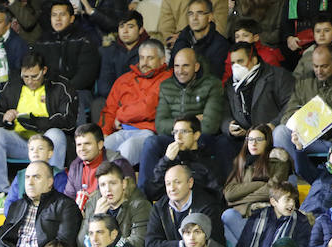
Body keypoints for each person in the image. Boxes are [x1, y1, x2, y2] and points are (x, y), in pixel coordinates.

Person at [0, 53, 77, 195]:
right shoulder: (13, 86)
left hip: (46, 145)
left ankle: (52, 191)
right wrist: (4, 119)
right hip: (21, 143)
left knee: (56, 135)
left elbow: (69, 121)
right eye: (25, 76)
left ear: (44, 71)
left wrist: (35, 122)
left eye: (34, 76)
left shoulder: (60, 86)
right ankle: (1, 193)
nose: (29, 81)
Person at [138, 48, 223, 191]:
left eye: (185, 66)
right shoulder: (166, 86)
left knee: (222, 142)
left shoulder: (212, 84)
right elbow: (160, 124)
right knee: (151, 142)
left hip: (201, 137)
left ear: (196, 66)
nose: (180, 71)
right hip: (174, 137)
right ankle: (144, 193)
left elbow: (210, 125)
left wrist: (188, 128)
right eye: (176, 66)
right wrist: (186, 125)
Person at [0, 161, 82, 247]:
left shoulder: (65, 205)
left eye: (36, 177)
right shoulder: (17, 205)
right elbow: (2, 238)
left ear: (50, 182)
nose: (30, 182)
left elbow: (64, 242)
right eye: (27, 177)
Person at [144, 164, 226, 247]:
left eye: (177, 182)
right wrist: (181, 245)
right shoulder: (160, 208)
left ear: (190, 183)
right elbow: (151, 245)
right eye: (168, 183)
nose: (172, 188)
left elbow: (213, 244)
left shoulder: (207, 206)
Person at [272, 46, 332, 158]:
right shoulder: (304, 81)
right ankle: (295, 172)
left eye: (324, 66)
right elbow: (288, 113)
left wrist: (324, 119)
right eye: (315, 66)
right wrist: (298, 118)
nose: (319, 71)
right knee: (280, 131)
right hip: (306, 139)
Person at [98, 39, 171, 167]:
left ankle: (117, 184)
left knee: (127, 149)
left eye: (150, 58)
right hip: (121, 131)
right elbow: (109, 110)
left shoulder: (167, 79)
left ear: (162, 60)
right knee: (99, 148)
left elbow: (148, 109)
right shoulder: (124, 80)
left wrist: (120, 115)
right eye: (142, 58)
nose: (145, 62)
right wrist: (104, 132)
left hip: (148, 132)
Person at [221, 42, 294, 160]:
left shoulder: (278, 76)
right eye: (233, 63)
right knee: (222, 143)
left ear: (254, 60)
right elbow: (224, 110)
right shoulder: (230, 84)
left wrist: (273, 125)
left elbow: (291, 105)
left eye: (240, 61)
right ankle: (233, 178)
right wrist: (228, 126)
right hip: (244, 138)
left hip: (270, 136)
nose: (236, 67)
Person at [31, 2, 99, 123]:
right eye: (54, 15)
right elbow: (34, 69)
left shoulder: (84, 39)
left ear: (72, 18)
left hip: (78, 90)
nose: (58, 19)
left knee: (73, 99)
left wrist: (61, 91)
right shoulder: (42, 41)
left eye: (62, 14)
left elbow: (86, 75)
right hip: (48, 90)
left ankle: (78, 140)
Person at [232, 182, 312, 247]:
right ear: (273, 202)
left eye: (294, 200)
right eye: (287, 199)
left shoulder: (301, 221)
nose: (292, 204)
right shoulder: (258, 216)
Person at [222, 124, 291, 223]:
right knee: (228, 215)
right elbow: (229, 194)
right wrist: (259, 184)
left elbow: (270, 192)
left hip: (265, 213)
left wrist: (237, 199)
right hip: (242, 214)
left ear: (267, 141)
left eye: (258, 139)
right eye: (250, 139)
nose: (253, 143)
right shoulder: (241, 163)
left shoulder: (279, 162)